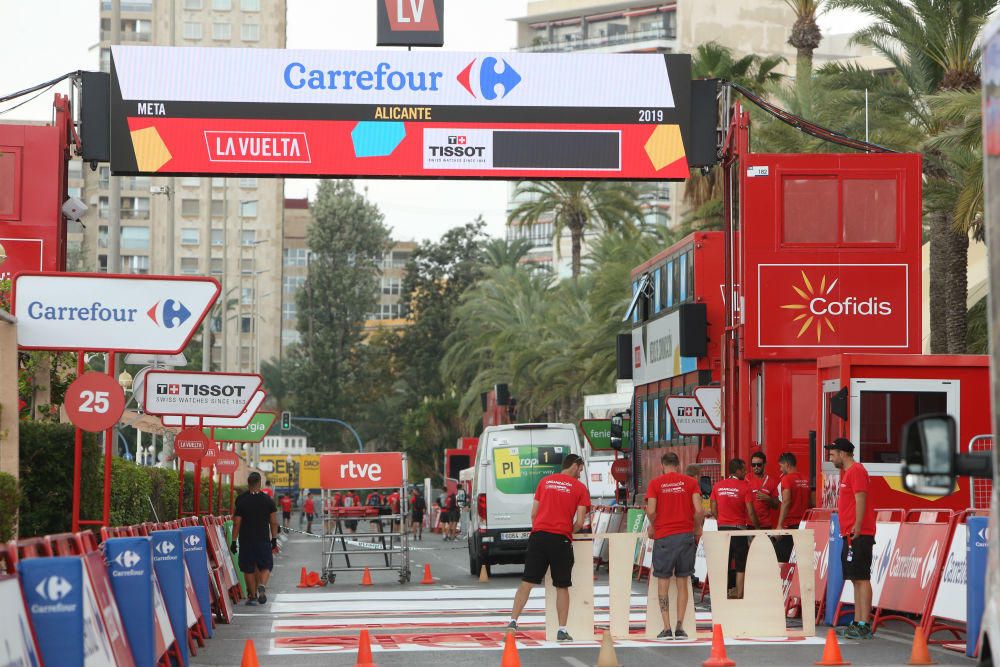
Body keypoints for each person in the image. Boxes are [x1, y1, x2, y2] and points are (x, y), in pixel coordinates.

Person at [507, 453, 590, 641]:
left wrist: (542, 527)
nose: (580, 474)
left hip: (538, 537)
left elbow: (534, 514)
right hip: (560, 539)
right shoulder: (580, 488)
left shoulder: (544, 482)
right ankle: (562, 630)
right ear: (575, 466)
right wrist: (568, 531)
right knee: (562, 585)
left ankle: (513, 621)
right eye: (580, 470)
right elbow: (580, 520)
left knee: (527, 582)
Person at [646, 452, 704, 640]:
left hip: (664, 537)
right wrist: (697, 528)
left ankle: (666, 628)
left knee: (662, 582)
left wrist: (653, 527)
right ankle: (680, 627)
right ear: (678, 466)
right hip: (685, 536)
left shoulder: (655, 484)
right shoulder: (690, 483)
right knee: (682, 582)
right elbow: (699, 510)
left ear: (662, 465)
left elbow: (652, 510)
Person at [827, 438, 876, 640]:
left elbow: (861, 498)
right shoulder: (847, 472)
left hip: (860, 533)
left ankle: (864, 624)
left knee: (862, 578)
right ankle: (857, 621)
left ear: (842, 453)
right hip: (850, 533)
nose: (830, 458)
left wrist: (857, 524)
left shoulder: (856, 471)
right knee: (855, 578)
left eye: (832, 454)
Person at [710, 458, 759, 599]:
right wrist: (757, 528)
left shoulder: (718, 486)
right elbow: (750, 511)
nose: (746, 472)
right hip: (739, 529)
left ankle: (721, 594)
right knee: (740, 564)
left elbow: (713, 509)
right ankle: (739, 594)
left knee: (723, 563)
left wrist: (722, 520)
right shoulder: (745, 486)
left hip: (722, 530)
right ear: (737, 471)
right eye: (744, 470)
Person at [231, 472, 278, 606]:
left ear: (248, 483)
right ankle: (261, 585)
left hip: (246, 540)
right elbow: (273, 522)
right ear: (260, 483)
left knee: (248, 568)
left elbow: (237, 523)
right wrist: (274, 538)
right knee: (267, 565)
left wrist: (234, 541)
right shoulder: (268, 500)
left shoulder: (241, 500)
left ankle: (252, 597)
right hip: (263, 539)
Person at [774, 452, 812, 562]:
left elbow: (786, 501)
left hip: (789, 525)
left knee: (782, 559)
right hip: (804, 525)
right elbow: (812, 502)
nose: (780, 469)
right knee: (801, 559)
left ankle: (785, 579)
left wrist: (779, 525)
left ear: (786, 464)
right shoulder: (806, 479)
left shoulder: (786, 479)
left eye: (781, 466)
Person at [747, 451, 780, 529]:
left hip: (765, 524)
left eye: (759, 465)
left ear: (764, 464)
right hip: (749, 524)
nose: (756, 467)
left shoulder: (771, 481)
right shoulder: (746, 479)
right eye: (753, 465)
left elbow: (776, 506)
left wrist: (768, 499)